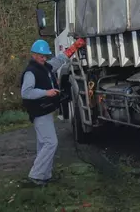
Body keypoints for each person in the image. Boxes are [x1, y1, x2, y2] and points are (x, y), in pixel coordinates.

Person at [20, 37, 86, 186]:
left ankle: (44, 175)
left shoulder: (46, 67)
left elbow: (59, 60)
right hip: (39, 112)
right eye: (41, 56)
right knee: (51, 143)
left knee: (44, 144)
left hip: (45, 111)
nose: (44, 58)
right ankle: (36, 175)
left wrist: (74, 47)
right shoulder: (31, 72)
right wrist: (46, 92)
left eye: (45, 56)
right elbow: (26, 93)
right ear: (34, 55)